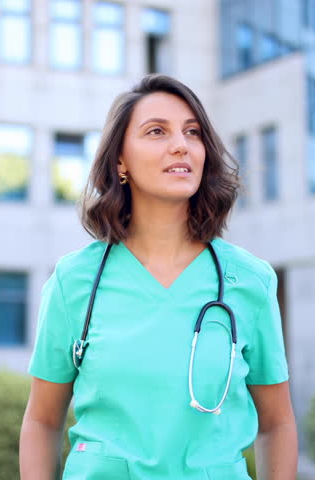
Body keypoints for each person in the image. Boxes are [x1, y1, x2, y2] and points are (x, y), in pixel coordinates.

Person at [19, 74, 297, 480]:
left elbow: (277, 424)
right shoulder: (75, 280)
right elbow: (42, 421)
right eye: (156, 131)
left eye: (192, 132)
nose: (181, 144)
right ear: (120, 162)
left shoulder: (250, 280)